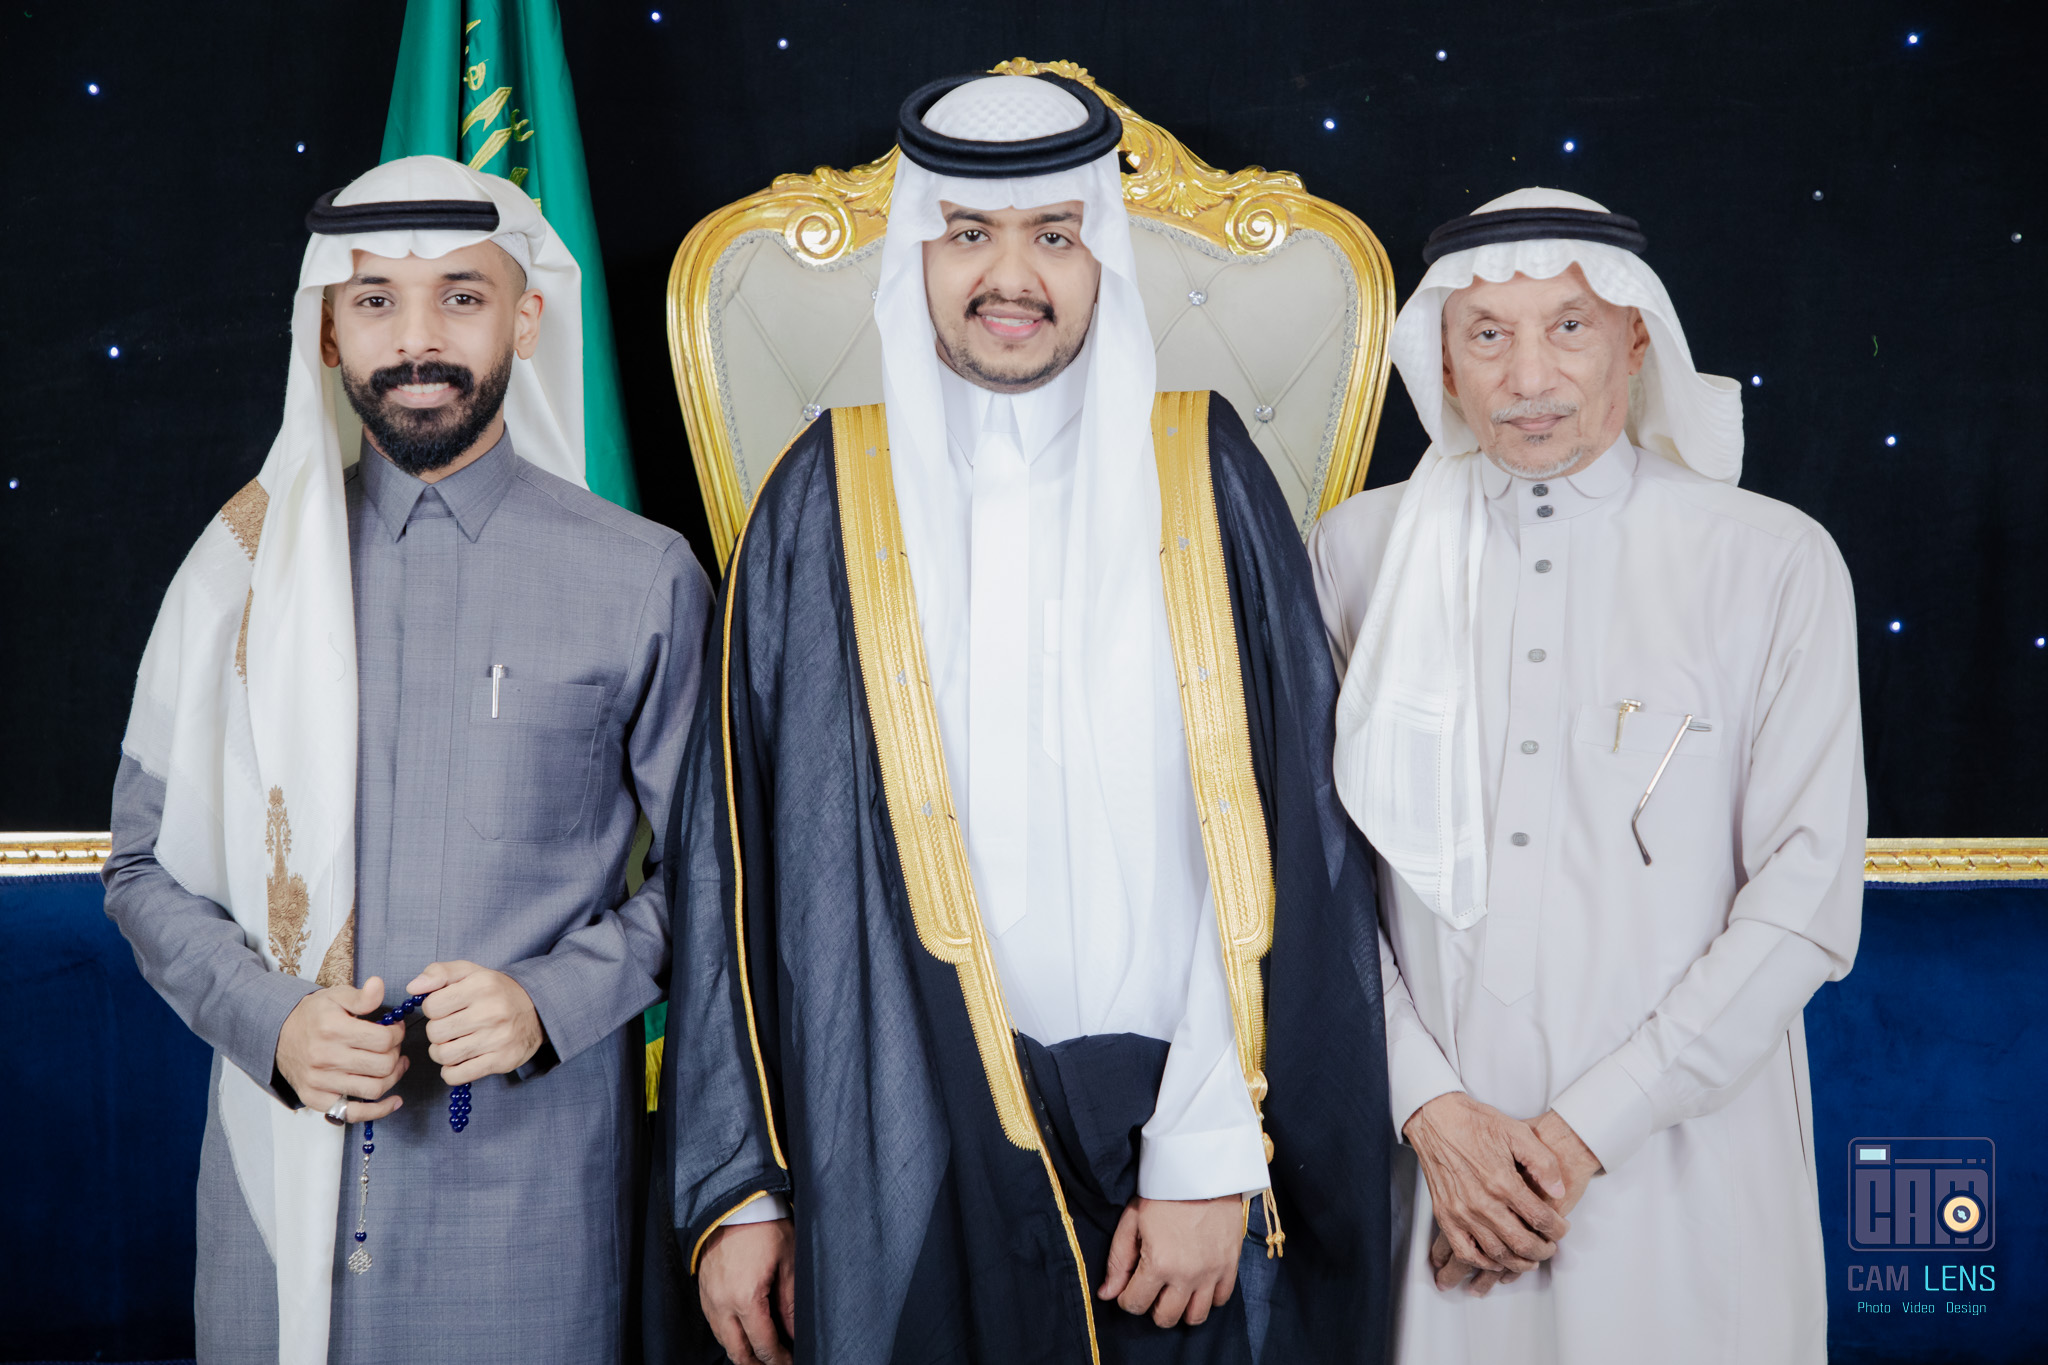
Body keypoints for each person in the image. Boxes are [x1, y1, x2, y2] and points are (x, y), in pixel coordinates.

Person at [658, 73, 1390, 1364]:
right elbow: (734, 859)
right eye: (969, 235)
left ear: (1102, 254)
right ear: (918, 252)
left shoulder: (1204, 470)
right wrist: (744, 1188)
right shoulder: (819, 501)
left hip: (1170, 1155)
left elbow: (1289, 838)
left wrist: (1211, 1150)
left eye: (1054, 234)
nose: (1012, 277)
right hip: (903, 1145)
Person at [102, 155, 711, 1364]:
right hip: (277, 1190)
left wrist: (552, 998)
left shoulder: (641, 577)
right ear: (328, 330)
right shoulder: (239, 571)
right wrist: (273, 1023)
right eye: (376, 299)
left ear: (524, 319)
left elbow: (726, 880)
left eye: (461, 297)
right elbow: (140, 868)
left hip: (536, 1206)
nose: (417, 339)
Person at [1309, 187, 1866, 1363]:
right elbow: (1316, 876)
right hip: (1436, 1177)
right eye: (1487, 334)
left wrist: (1571, 1142)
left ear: (1634, 340)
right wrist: (1431, 1113)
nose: (1528, 377)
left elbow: (1802, 900)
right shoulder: (1357, 554)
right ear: (1442, 363)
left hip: (1684, 1165)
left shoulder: (1770, 560)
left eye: (1567, 327)